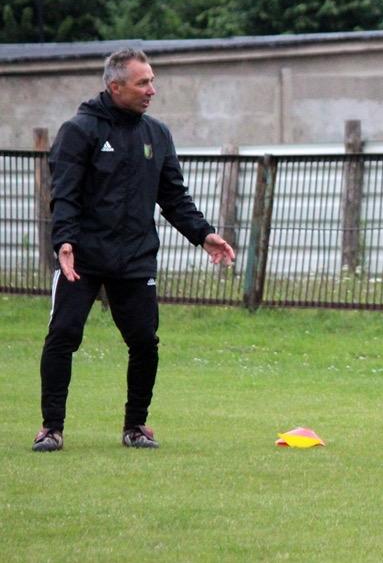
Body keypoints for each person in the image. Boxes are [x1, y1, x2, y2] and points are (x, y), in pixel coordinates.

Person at [32, 48, 235, 452]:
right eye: (143, 83)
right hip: (83, 257)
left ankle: (135, 427)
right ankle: (51, 428)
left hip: (135, 257)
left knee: (144, 341)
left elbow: (174, 197)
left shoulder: (156, 135)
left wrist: (203, 234)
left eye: (152, 81)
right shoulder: (79, 131)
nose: (152, 90)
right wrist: (64, 241)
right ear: (115, 86)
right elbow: (65, 194)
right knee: (63, 334)